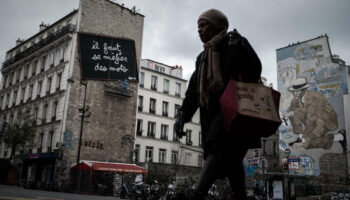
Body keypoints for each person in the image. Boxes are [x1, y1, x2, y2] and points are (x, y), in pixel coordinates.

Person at [174, 9, 262, 200]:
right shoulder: (203, 57)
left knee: (218, 145)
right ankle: (240, 195)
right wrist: (182, 116)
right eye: (198, 26)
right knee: (231, 160)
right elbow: (194, 92)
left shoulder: (235, 45)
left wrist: (243, 46)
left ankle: (198, 193)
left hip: (236, 113)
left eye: (203, 25)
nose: (199, 30)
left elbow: (255, 70)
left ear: (216, 26)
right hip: (213, 115)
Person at [283, 77, 338, 149]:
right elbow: (292, 109)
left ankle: (336, 137)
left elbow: (318, 124)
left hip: (325, 121)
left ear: (304, 90)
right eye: (294, 91)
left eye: (297, 91)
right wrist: (288, 113)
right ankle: (300, 137)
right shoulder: (297, 98)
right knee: (292, 113)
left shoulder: (315, 98)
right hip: (312, 120)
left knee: (308, 144)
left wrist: (305, 140)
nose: (295, 93)